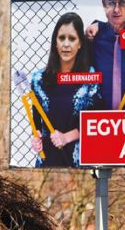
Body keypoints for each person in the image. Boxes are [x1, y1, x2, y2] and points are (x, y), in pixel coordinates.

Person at [31, 12, 101, 167]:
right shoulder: (38, 79)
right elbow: (36, 122)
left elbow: (95, 125)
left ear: (80, 43)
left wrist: (67, 137)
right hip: (47, 163)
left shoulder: (90, 78)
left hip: (78, 165)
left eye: (72, 38)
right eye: (61, 38)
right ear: (55, 42)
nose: (66, 44)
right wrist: (35, 139)